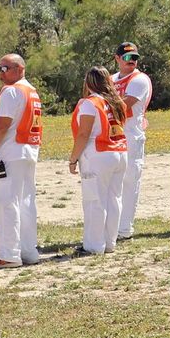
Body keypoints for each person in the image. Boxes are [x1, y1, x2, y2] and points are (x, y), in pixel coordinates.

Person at [0, 54, 43, 268]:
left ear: (18, 69)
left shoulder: (12, 90)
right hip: (28, 150)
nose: (0, 72)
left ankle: (8, 255)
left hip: (10, 152)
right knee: (25, 202)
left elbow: (2, 125)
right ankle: (28, 251)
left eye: (4, 68)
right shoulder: (31, 90)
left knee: (5, 202)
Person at [69, 67, 129, 255]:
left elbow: (84, 133)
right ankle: (109, 242)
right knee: (114, 199)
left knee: (94, 200)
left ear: (88, 82)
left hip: (98, 153)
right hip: (119, 152)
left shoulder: (89, 103)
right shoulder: (116, 102)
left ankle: (94, 246)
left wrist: (73, 158)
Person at [112, 41, 152, 239]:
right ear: (117, 59)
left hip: (131, 135)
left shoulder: (139, 79)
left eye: (135, 57)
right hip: (112, 135)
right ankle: (111, 226)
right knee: (113, 182)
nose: (132, 61)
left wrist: (102, 103)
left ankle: (124, 229)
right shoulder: (111, 79)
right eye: (127, 57)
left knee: (129, 181)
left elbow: (123, 107)